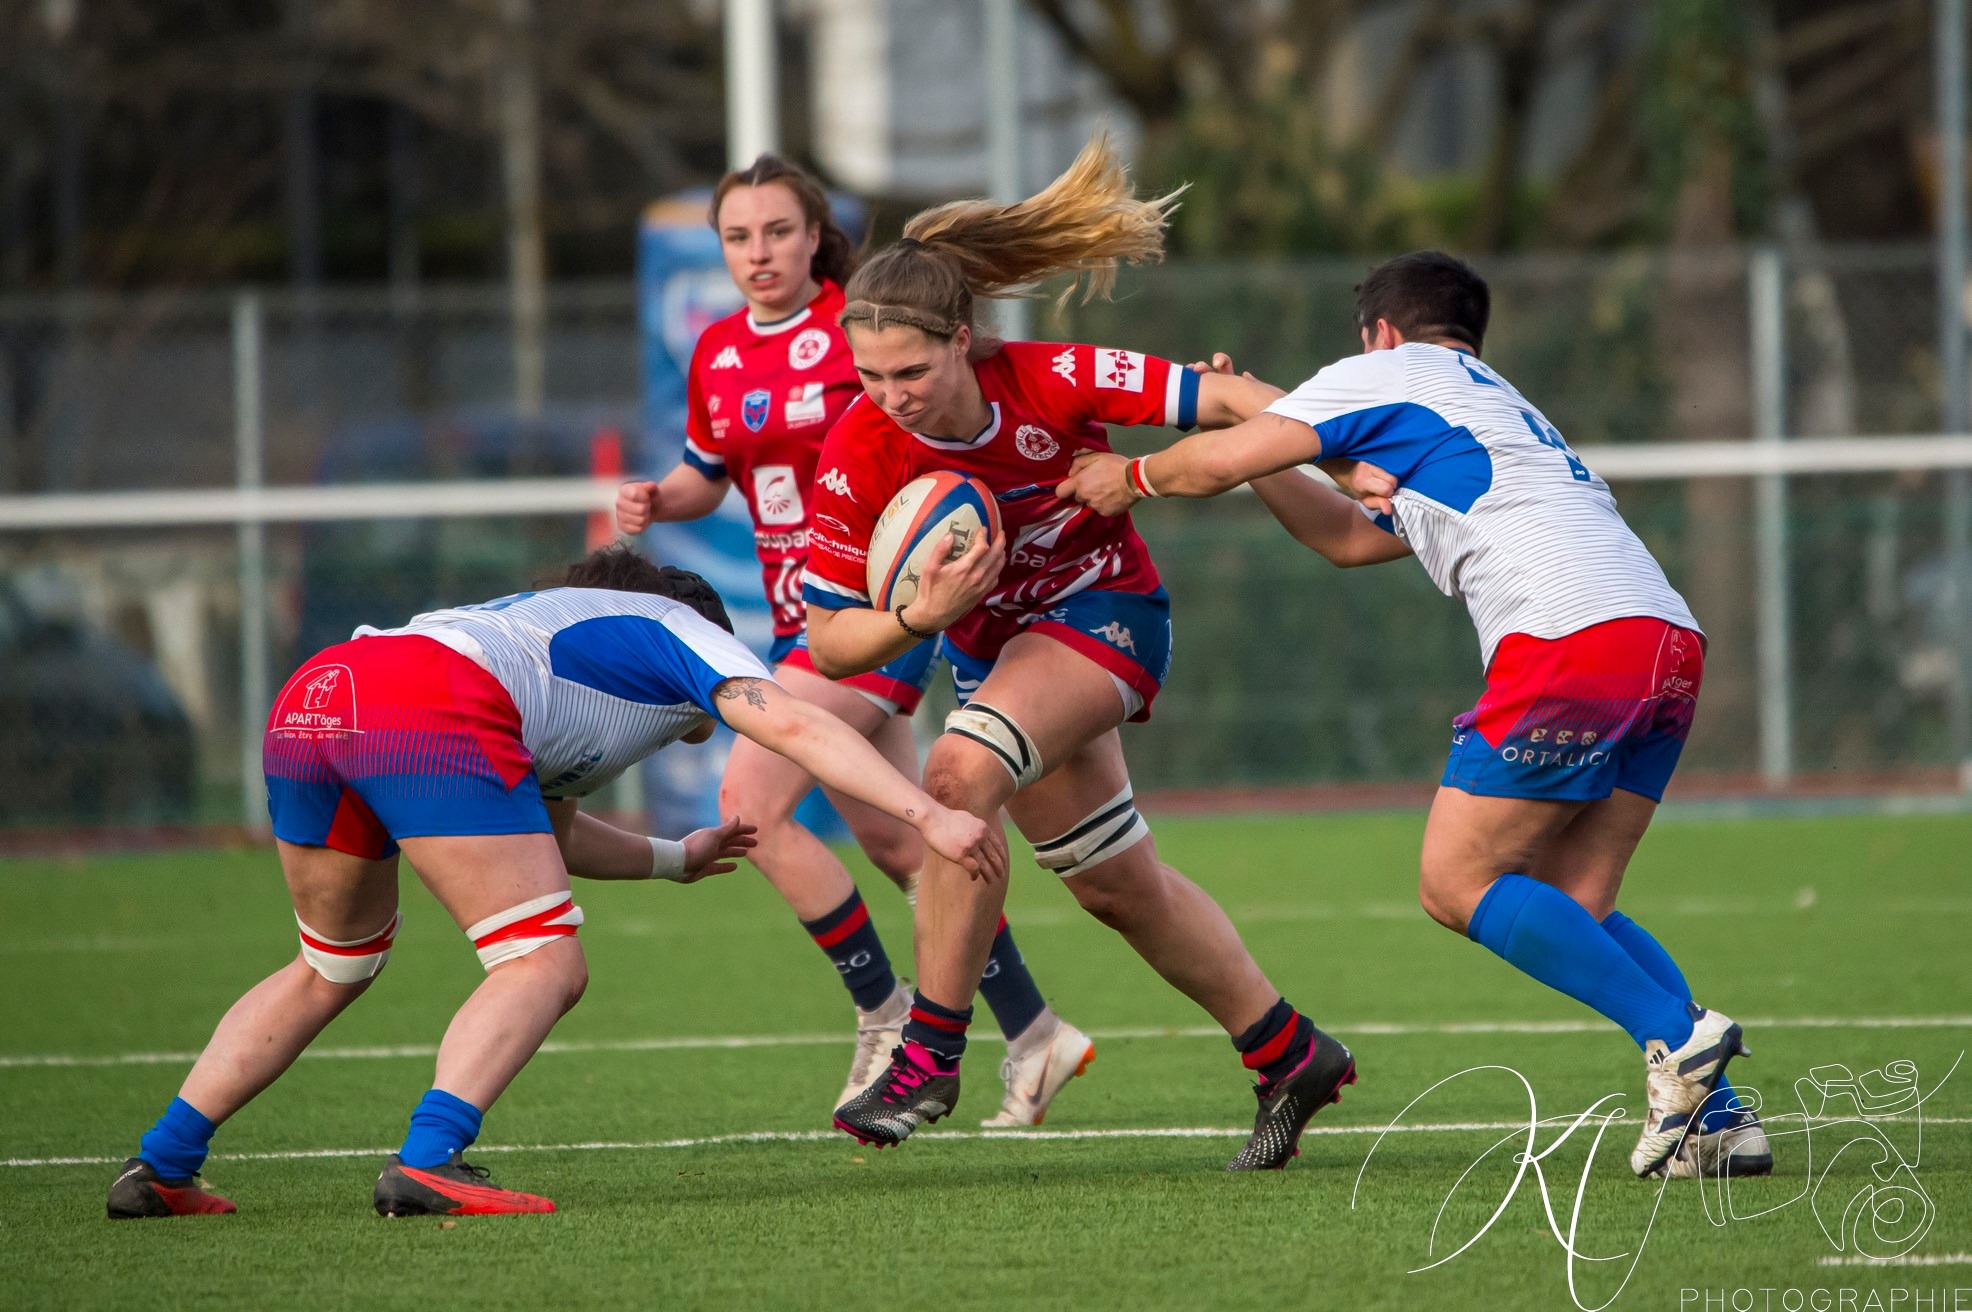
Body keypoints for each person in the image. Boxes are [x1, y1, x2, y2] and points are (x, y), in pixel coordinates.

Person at [1059, 250, 1772, 1181]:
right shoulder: (1486, 405)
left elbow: (1220, 459)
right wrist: (1254, 431)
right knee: (1578, 898)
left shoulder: (1386, 373)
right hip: (1663, 639)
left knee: (1453, 881)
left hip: (1568, 638)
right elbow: (1346, 536)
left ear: (1380, 333)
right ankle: (1715, 1120)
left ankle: (1676, 1040)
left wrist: (1132, 477)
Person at [106, 546, 1004, 1220]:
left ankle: (164, 1165)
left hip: (322, 695)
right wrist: (931, 816)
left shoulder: (545, 636)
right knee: (545, 962)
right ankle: (430, 1161)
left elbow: (550, 832)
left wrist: (673, 857)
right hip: (424, 704)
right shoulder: (673, 626)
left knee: (332, 964)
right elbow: (797, 727)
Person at [801, 134, 1360, 1170]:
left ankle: (929, 1052)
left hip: (1107, 616)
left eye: (911, 371)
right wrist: (919, 620)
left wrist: (1360, 458)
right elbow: (833, 645)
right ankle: (1291, 1053)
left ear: (965, 341)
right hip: (994, 656)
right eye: (868, 373)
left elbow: (1235, 400)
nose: (890, 395)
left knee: (957, 769)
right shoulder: (859, 448)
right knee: (1113, 887)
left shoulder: (1053, 376)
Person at [614, 154, 1091, 1126]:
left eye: (778, 231)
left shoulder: (865, 328)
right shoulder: (714, 351)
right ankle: (1036, 1032)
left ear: (815, 235)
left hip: (885, 619)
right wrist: (662, 496)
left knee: (747, 800)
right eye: (738, 236)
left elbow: (960, 415)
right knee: (903, 840)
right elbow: (712, 470)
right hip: (806, 618)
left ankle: (884, 1012)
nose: (758, 253)